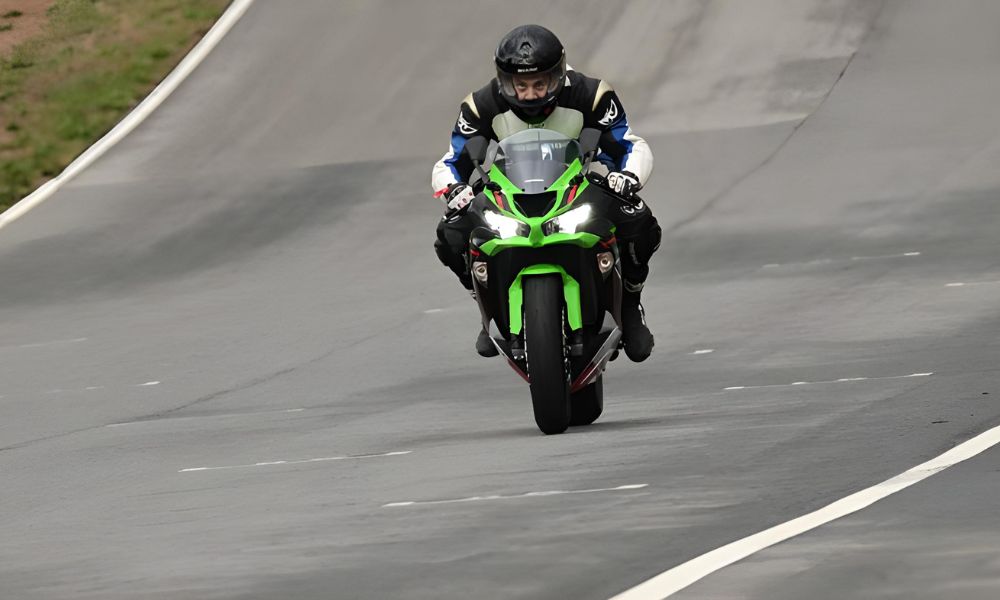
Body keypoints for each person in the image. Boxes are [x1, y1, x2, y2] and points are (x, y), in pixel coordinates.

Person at [432, 24, 661, 362]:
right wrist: (454, 189)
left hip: (577, 189)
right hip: (509, 193)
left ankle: (630, 303)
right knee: (449, 234)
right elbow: (452, 161)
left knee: (641, 222)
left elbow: (627, 145)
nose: (530, 94)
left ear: (558, 74)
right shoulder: (480, 105)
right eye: (519, 85)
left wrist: (626, 176)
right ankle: (486, 306)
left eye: (540, 83)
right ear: (503, 79)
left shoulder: (592, 94)